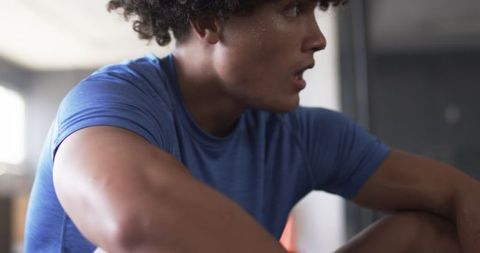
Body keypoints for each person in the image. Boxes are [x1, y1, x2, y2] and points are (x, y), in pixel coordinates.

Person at [24, 0, 479, 252]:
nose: (317, 37)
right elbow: (135, 221)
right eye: (291, 9)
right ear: (208, 21)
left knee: (425, 238)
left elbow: (464, 195)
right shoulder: (114, 102)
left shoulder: (302, 134)